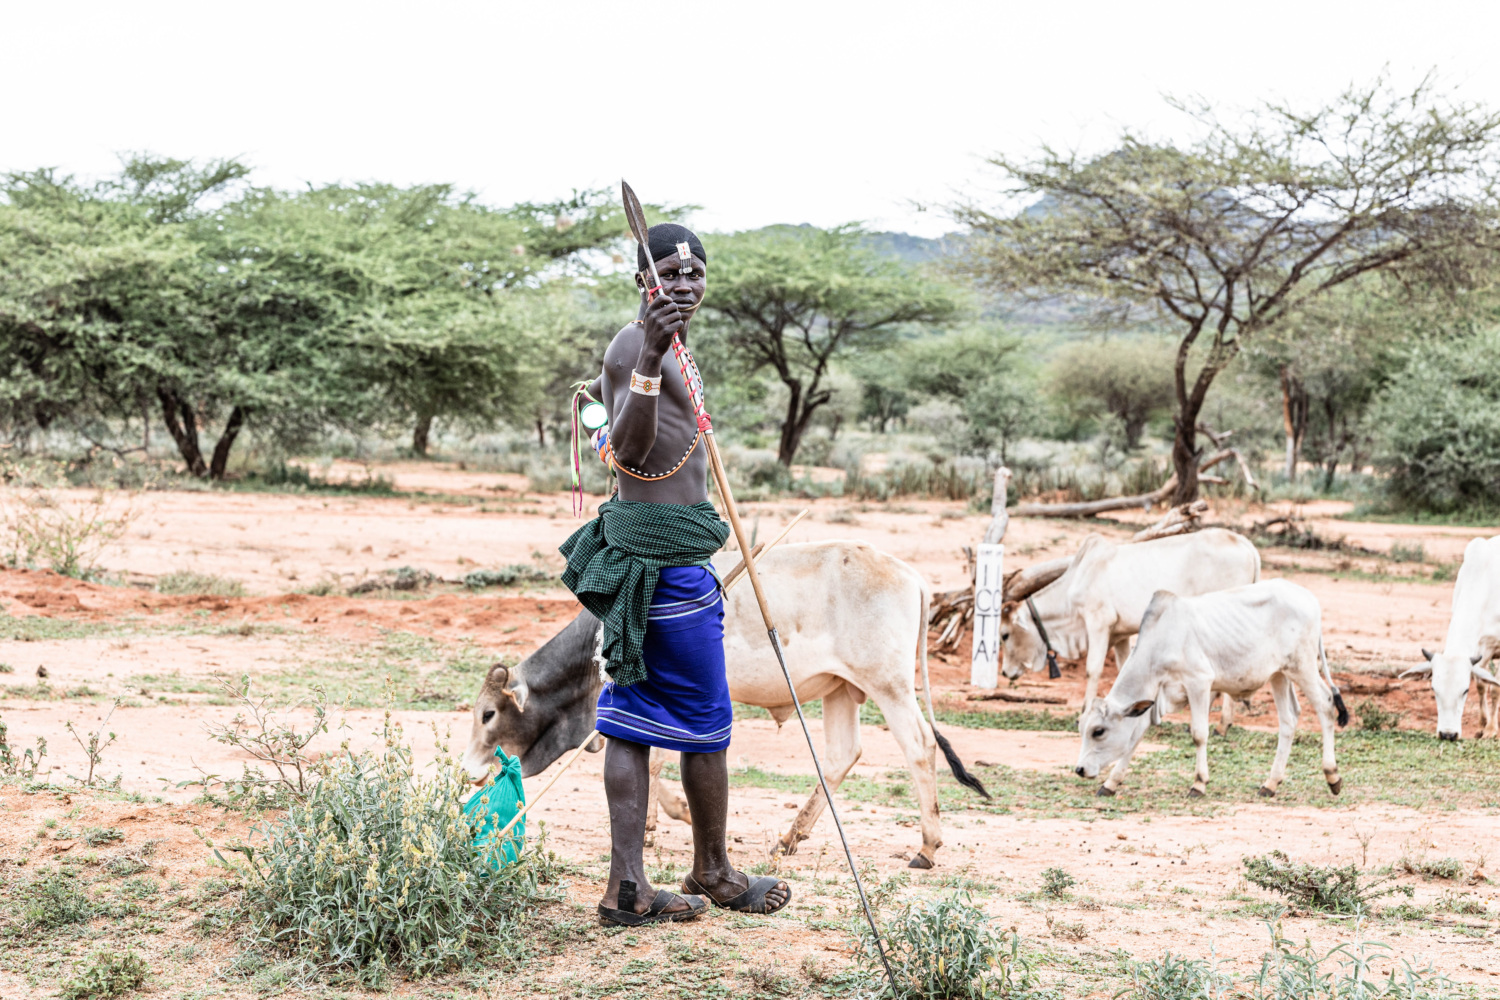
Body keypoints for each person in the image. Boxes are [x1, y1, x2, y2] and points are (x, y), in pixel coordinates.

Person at [560, 223, 791, 926]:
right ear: (643, 282)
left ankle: (627, 890)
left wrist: (667, 350)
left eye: (696, 274)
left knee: (632, 721)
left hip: (663, 560)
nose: (685, 285)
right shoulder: (637, 345)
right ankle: (713, 871)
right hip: (666, 572)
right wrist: (654, 353)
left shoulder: (672, 345)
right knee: (705, 725)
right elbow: (627, 453)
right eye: (670, 274)